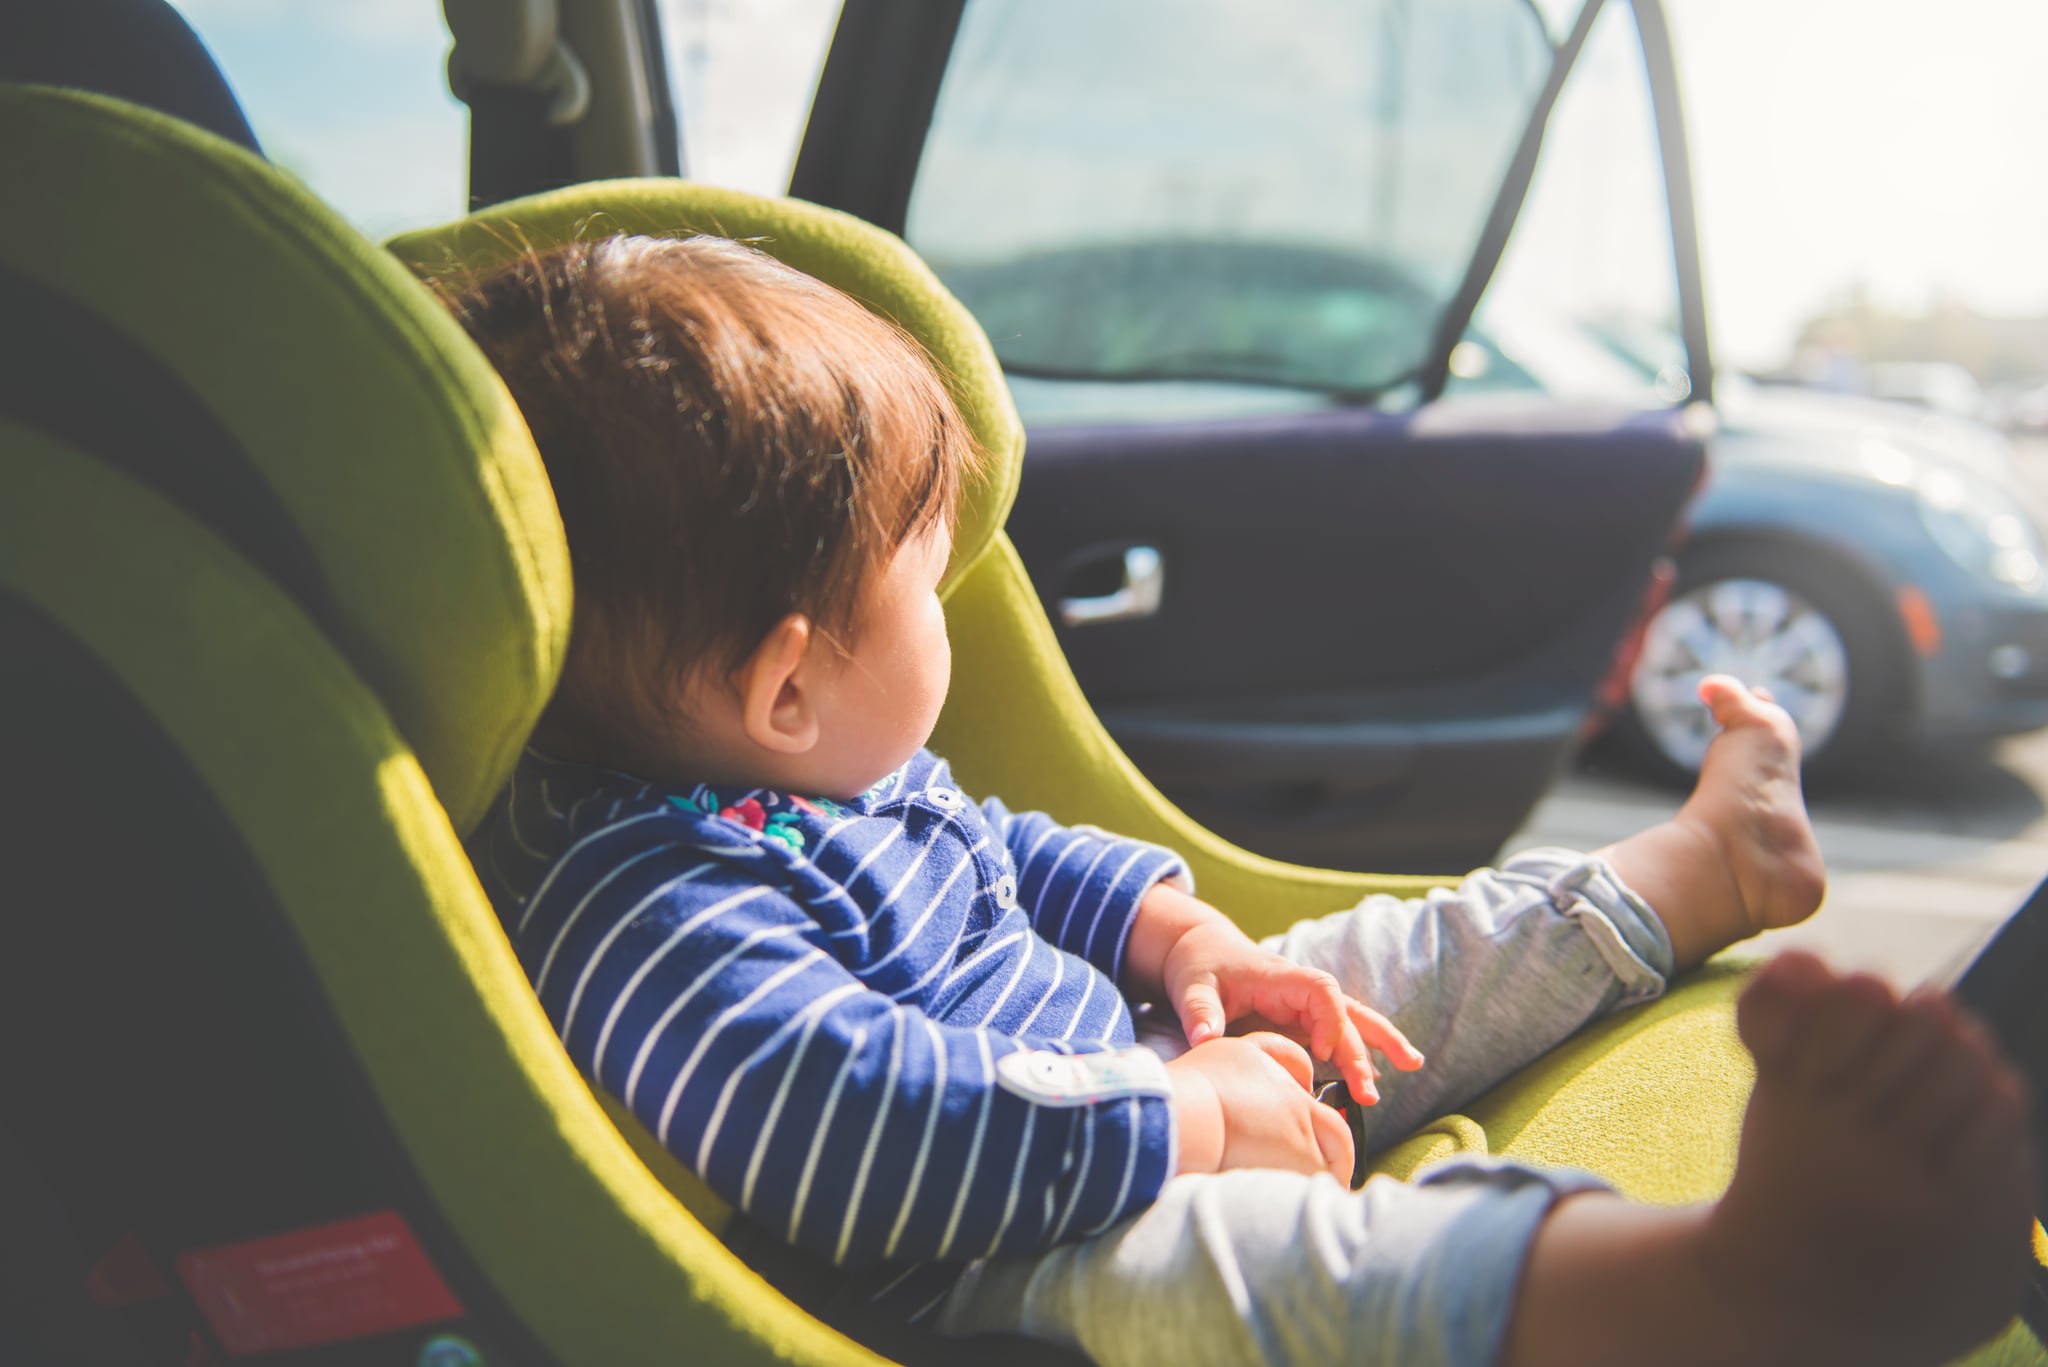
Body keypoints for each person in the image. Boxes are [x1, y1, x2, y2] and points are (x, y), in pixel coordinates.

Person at [449, 233, 2035, 1367]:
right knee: (1289, 1281)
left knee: (1396, 963)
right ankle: (1726, 1288)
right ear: (786, 687)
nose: (957, 612)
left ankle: (1697, 869)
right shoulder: (644, 897)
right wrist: (1183, 1124)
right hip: (1002, 1265)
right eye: (929, 584)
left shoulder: (815, 774)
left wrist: (1175, 935)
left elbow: (1005, 854)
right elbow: (829, 1129)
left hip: (1139, 1068)